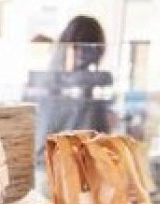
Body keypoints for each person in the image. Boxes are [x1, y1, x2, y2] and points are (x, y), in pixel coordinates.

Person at [28, 14, 115, 162]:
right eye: (78, 47)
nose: (82, 53)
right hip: (63, 165)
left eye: (88, 47)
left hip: (49, 163)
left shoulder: (47, 81)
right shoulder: (95, 85)